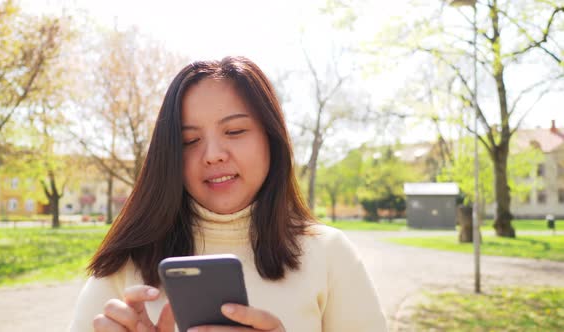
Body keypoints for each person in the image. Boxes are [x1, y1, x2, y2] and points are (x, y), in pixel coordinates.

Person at [69, 56, 387, 332]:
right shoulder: (125, 267)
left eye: (234, 132)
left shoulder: (328, 254)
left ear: (271, 139)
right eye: (189, 141)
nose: (213, 155)